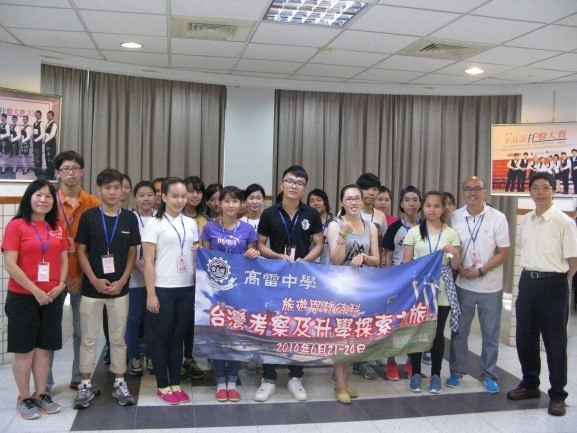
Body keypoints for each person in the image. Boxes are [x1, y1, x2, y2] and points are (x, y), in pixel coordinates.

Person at [507, 172, 577, 417]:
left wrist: (558, 282)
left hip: (554, 284)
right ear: (529, 191)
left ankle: (558, 394)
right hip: (527, 282)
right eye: (535, 187)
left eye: (545, 188)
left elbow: (573, 261)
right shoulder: (526, 220)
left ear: (554, 190)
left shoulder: (564, 222)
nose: (540, 192)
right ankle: (530, 384)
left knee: (555, 342)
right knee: (525, 337)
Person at [255, 165, 323, 402]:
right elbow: (260, 244)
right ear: (282, 184)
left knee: (299, 325)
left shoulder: (311, 214)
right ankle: (269, 378)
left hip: (301, 278)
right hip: (275, 276)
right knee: (272, 325)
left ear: (304, 188)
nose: (294, 186)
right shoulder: (269, 213)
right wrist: (277, 257)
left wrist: (305, 261)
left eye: (299, 183)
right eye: (290, 181)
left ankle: (296, 377)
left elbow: (319, 244)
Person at [2, 180, 69, 419]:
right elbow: (10, 264)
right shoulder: (16, 225)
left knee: (44, 350)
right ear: (29, 197)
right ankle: (24, 397)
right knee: (24, 351)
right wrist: (35, 291)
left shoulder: (57, 227)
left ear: (54, 202)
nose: (43, 200)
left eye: (48, 196)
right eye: (38, 195)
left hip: (52, 297)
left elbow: (63, 260)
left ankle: (41, 394)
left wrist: (61, 285)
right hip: (23, 298)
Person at [74, 169, 140, 409]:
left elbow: (133, 251)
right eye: (108, 188)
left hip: (120, 289)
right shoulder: (89, 216)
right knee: (89, 338)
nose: (113, 192)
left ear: (123, 191)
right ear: (99, 190)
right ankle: (84, 386)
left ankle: (120, 383)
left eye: (117, 188)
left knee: (118, 339)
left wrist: (123, 280)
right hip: (93, 289)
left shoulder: (129, 218)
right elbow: (80, 250)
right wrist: (92, 278)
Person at [446, 177, 510, 394]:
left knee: (490, 335)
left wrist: (481, 270)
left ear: (485, 192)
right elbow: (451, 248)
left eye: (477, 189)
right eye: (468, 189)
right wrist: (461, 269)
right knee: (459, 332)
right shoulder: (455, 217)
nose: (472, 193)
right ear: (463, 192)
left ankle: (489, 374)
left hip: (490, 286)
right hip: (463, 284)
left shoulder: (497, 218)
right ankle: (456, 372)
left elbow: (503, 252)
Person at [142, 177, 199, 405]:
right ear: (163, 197)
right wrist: (151, 293)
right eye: (174, 196)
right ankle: (162, 385)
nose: (179, 200)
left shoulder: (192, 223)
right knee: (162, 339)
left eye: (183, 196)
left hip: (186, 288)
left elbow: (195, 257)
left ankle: (176, 383)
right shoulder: (153, 224)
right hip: (162, 288)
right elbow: (147, 262)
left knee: (178, 339)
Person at [201, 186, 259, 402]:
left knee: (235, 334)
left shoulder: (248, 230)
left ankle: (232, 381)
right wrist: (199, 251)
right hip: (214, 292)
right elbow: (204, 257)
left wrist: (254, 252)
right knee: (217, 334)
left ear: (241, 204)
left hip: (238, 291)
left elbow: (251, 258)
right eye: (226, 201)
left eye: (236, 201)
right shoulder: (209, 228)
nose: (231, 205)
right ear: (220, 204)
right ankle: (219, 380)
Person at [50, 150, 100, 394]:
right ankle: (45, 383)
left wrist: (79, 276)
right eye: (65, 169)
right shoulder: (47, 202)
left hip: (83, 275)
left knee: (83, 332)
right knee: (48, 331)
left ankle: (78, 377)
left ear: (82, 172)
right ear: (57, 173)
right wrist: (63, 278)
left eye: (75, 168)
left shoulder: (93, 203)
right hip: (51, 278)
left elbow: (97, 245)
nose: (70, 173)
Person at [403, 191, 461, 394]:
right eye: (428, 205)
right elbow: (406, 264)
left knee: (437, 334)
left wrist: (453, 252)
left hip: (442, 290)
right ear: (423, 207)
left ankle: (436, 374)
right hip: (419, 290)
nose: (432, 209)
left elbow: (456, 265)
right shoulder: (413, 233)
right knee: (417, 331)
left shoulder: (451, 233)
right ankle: (417, 374)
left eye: (437, 206)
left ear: (443, 208)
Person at [327, 184, 380, 404]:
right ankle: (340, 385)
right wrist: (343, 234)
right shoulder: (334, 225)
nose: (354, 202)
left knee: (353, 338)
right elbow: (336, 259)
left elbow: (377, 259)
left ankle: (345, 381)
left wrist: (365, 258)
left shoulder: (371, 227)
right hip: (341, 289)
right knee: (341, 337)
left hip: (362, 289)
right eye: (349, 199)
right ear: (342, 202)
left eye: (357, 198)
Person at [382, 185, 422, 380]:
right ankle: (391, 362)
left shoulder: (427, 227)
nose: (411, 203)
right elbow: (388, 256)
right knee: (395, 322)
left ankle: (412, 361)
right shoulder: (394, 228)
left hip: (420, 283)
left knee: (416, 324)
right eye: (407, 200)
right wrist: (390, 281)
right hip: (398, 283)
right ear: (401, 203)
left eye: (415, 199)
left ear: (420, 203)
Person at [352, 173, 387, 380]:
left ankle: (362, 360)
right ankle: (345, 362)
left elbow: (380, 246)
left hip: (371, 272)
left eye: (375, 189)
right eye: (368, 189)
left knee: (367, 318)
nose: (372, 193)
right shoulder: (349, 211)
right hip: (352, 272)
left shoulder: (380, 217)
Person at [126, 181, 156, 377]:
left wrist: (152, 271)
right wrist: (143, 269)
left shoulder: (161, 218)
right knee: (134, 319)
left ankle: (152, 355)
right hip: (134, 279)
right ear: (135, 198)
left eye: (150, 194)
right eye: (142, 195)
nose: (146, 199)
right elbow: (130, 251)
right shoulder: (130, 218)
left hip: (157, 279)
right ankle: (134, 356)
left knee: (153, 320)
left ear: (155, 197)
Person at [181, 175, 208, 381]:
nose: (194, 195)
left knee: (191, 323)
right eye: (191, 191)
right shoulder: (170, 217)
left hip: (197, 279)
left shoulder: (205, 221)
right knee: (176, 322)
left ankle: (189, 360)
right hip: (175, 277)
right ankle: (175, 362)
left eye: (198, 191)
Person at [307, 188, 335, 265]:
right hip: (309, 264)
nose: (315, 203)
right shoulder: (305, 222)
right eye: (311, 201)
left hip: (329, 265)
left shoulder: (336, 222)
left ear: (325, 202)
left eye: (319, 200)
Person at [44, 111, 57, 180]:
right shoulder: (47, 124)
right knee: (47, 157)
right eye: (47, 115)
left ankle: (51, 175)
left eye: (50, 115)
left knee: (51, 159)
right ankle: (48, 171)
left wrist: (45, 140)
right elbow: (46, 133)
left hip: (51, 144)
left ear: (52, 116)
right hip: (47, 143)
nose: (48, 116)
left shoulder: (54, 124)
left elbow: (52, 135)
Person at [32, 110, 44, 176]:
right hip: (34, 142)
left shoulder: (41, 123)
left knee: (38, 155)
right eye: (36, 114)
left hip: (38, 142)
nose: (37, 115)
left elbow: (42, 134)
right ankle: (36, 168)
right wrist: (32, 137)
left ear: (40, 115)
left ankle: (39, 170)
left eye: (38, 114)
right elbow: (33, 132)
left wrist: (36, 140)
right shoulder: (34, 123)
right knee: (35, 155)